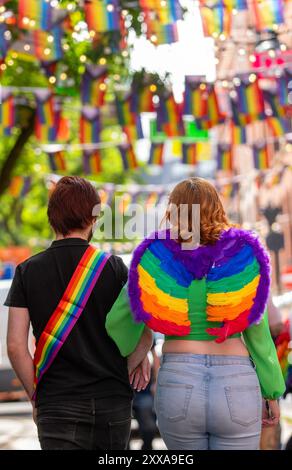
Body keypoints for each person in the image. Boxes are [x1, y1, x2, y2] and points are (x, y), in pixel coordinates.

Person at [106, 176, 286, 450]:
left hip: (179, 379)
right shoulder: (243, 253)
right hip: (237, 382)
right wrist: (270, 389)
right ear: (217, 207)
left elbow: (118, 322)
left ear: (173, 211)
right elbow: (257, 329)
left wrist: (138, 348)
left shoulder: (155, 255)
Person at [5, 176, 152, 450]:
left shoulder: (27, 271)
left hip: (57, 402)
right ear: (93, 218)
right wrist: (134, 363)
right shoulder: (115, 267)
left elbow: (15, 346)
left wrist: (36, 396)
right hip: (112, 401)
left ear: (52, 218)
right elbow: (143, 330)